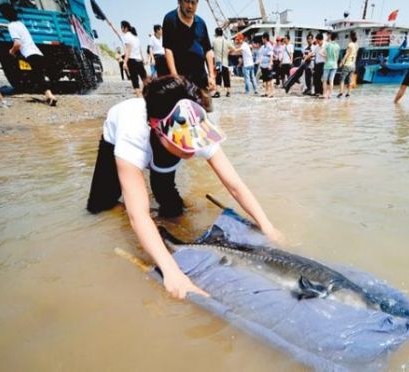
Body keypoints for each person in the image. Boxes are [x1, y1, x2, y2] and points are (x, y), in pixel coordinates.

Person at [86, 75, 282, 299]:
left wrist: (267, 227)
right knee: (101, 206)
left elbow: (235, 184)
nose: (192, 149)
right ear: (157, 127)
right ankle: (128, 201)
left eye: (194, 139)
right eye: (185, 140)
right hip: (118, 136)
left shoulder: (194, 121)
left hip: (163, 147)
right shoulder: (132, 136)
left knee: (172, 207)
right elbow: (138, 216)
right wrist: (172, 272)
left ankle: (159, 207)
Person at [0, 3, 57, 106]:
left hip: (30, 55)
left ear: (4, 15)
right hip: (38, 53)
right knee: (38, 76)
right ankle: (49, 96)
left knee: (37, 77)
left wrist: (11, 51)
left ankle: (51, 96)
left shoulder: (12, 26)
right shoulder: (20, 24)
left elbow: (17, 44)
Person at [162, 0, 215, 93]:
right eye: (187, 1)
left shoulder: (201, 23)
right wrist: (175, 77)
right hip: (181, 79)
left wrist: (211, 76)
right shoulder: (170, 19)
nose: (190, 6)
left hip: (200, 79)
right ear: (179, 1)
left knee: (201, 107)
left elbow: (208, 50)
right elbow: (168, 49)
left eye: (193, 2)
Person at [121, 21, 147, 97]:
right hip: (139, 60)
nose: (121, 29)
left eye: (122, 27)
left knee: (134, 79)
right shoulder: (136, 37)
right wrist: (142, 59)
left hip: (132, 60)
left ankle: (138, 96)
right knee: (144, 78)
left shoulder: (126, 36)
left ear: (125, 28)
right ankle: (145, 94)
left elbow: (128, 50)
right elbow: (140, 50)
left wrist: (125, 62)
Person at [212, 27, 234, 98]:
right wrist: (227, 52)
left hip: (218, 62)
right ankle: (228, 92)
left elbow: (211, 49)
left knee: (218, 77)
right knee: (226, 77)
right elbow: (233, 48)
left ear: (216, 33)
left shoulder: (214, 41)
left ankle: (218, 92)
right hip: (225, 62)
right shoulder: (226, 41)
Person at [337, 30, 358, 98]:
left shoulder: (350, 44)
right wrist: (354, 65)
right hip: (352, 65)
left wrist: (342, 62)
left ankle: (341, 92)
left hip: (347, 64)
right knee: (349, 79)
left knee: (342, 78)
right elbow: (355, 56)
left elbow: (347, 54)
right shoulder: (356, 45)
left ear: (350, 37)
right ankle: (348, 93)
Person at [322, 32, 339, 99]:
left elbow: (321, 52)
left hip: (327, 64)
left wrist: (326, 57)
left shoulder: (327, 44)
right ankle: (330, 95)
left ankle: (324, 94)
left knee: (325, 80)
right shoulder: (337, 46)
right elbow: (337, 57)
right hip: (334, 65)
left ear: (331, 36)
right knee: (331, 80)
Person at [258, 32, 274, 98]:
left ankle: (271, 93)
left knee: (269, 79)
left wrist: (270, 64)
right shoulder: (263, 46)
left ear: (265, 38)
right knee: (265, 80)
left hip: (267, 64)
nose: (262, 39)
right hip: (263, 65)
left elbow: (271, 55)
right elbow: (261, 55)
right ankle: (266, 92)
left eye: (262, 38)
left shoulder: (269, 46)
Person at [312, 33, 325, 97]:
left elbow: (327, 56)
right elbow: (313, 54)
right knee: (315, 78)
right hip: (316, 64)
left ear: (321, 40)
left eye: (318, 41)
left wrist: (322, 54)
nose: (317, 42)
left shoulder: (325, 46)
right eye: (316, 41)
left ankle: (321, 92)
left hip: (323, 64)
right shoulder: (316, 47)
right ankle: (316, 92)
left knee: (320, 79)